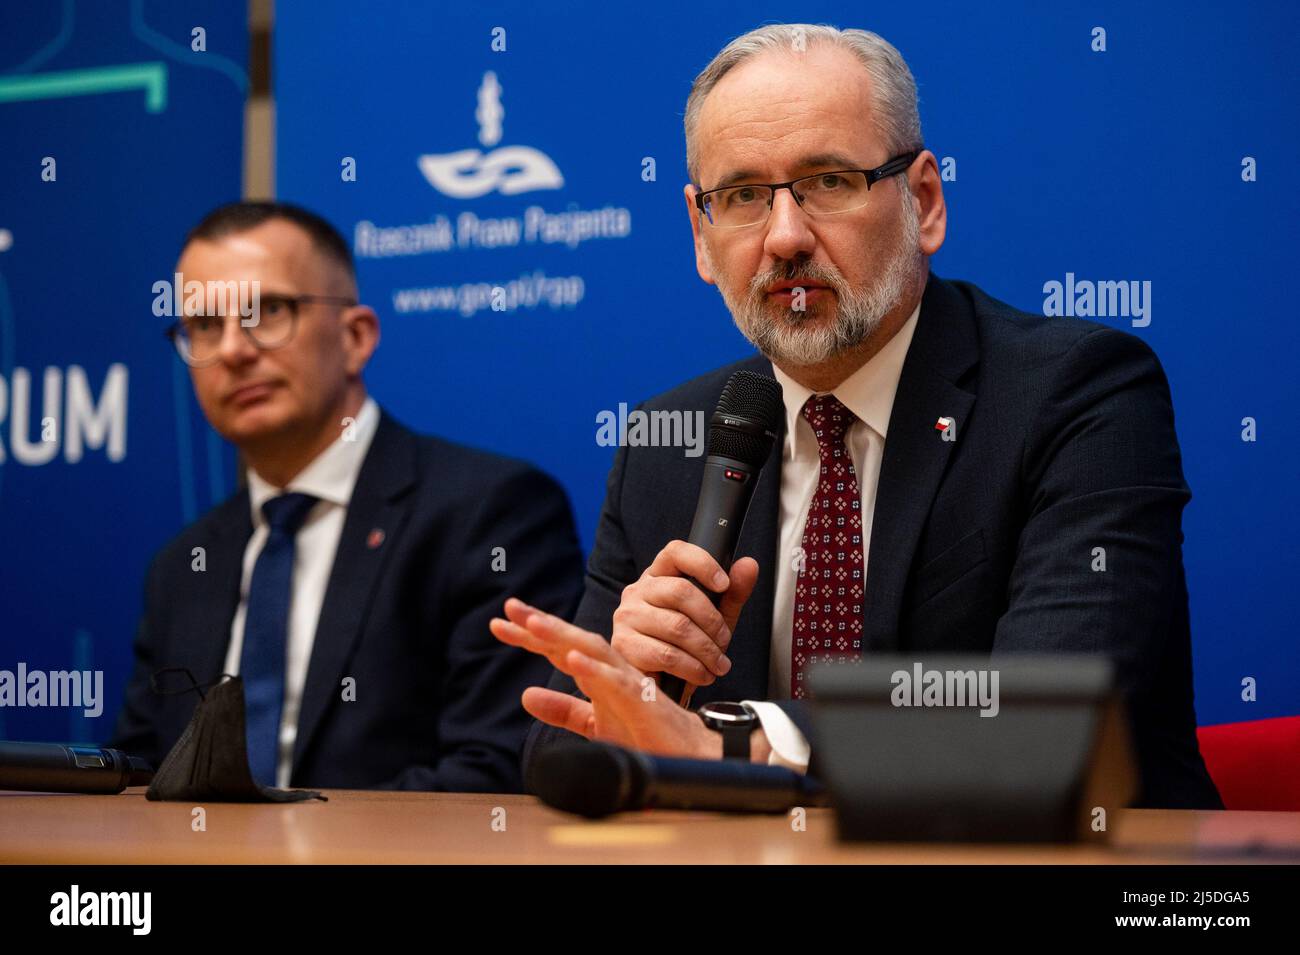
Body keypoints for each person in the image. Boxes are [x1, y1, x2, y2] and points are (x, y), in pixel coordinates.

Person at [493, 24, 1221, 809]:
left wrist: (742, 740)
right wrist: (633, 687)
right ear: (702, 238)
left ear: (925, 202)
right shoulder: (669, 438)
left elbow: (1042, 724)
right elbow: (554, 740)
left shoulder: (1078, 393)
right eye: (741, 197)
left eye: (830, 182)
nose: (784, 237)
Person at [110, 201, 583, 792]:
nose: (232, 350)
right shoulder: (183, 565)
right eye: (205, 326)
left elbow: (495, 770)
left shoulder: (491, 515)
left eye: (267, 311)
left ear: (356, 337)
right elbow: (137, 775)